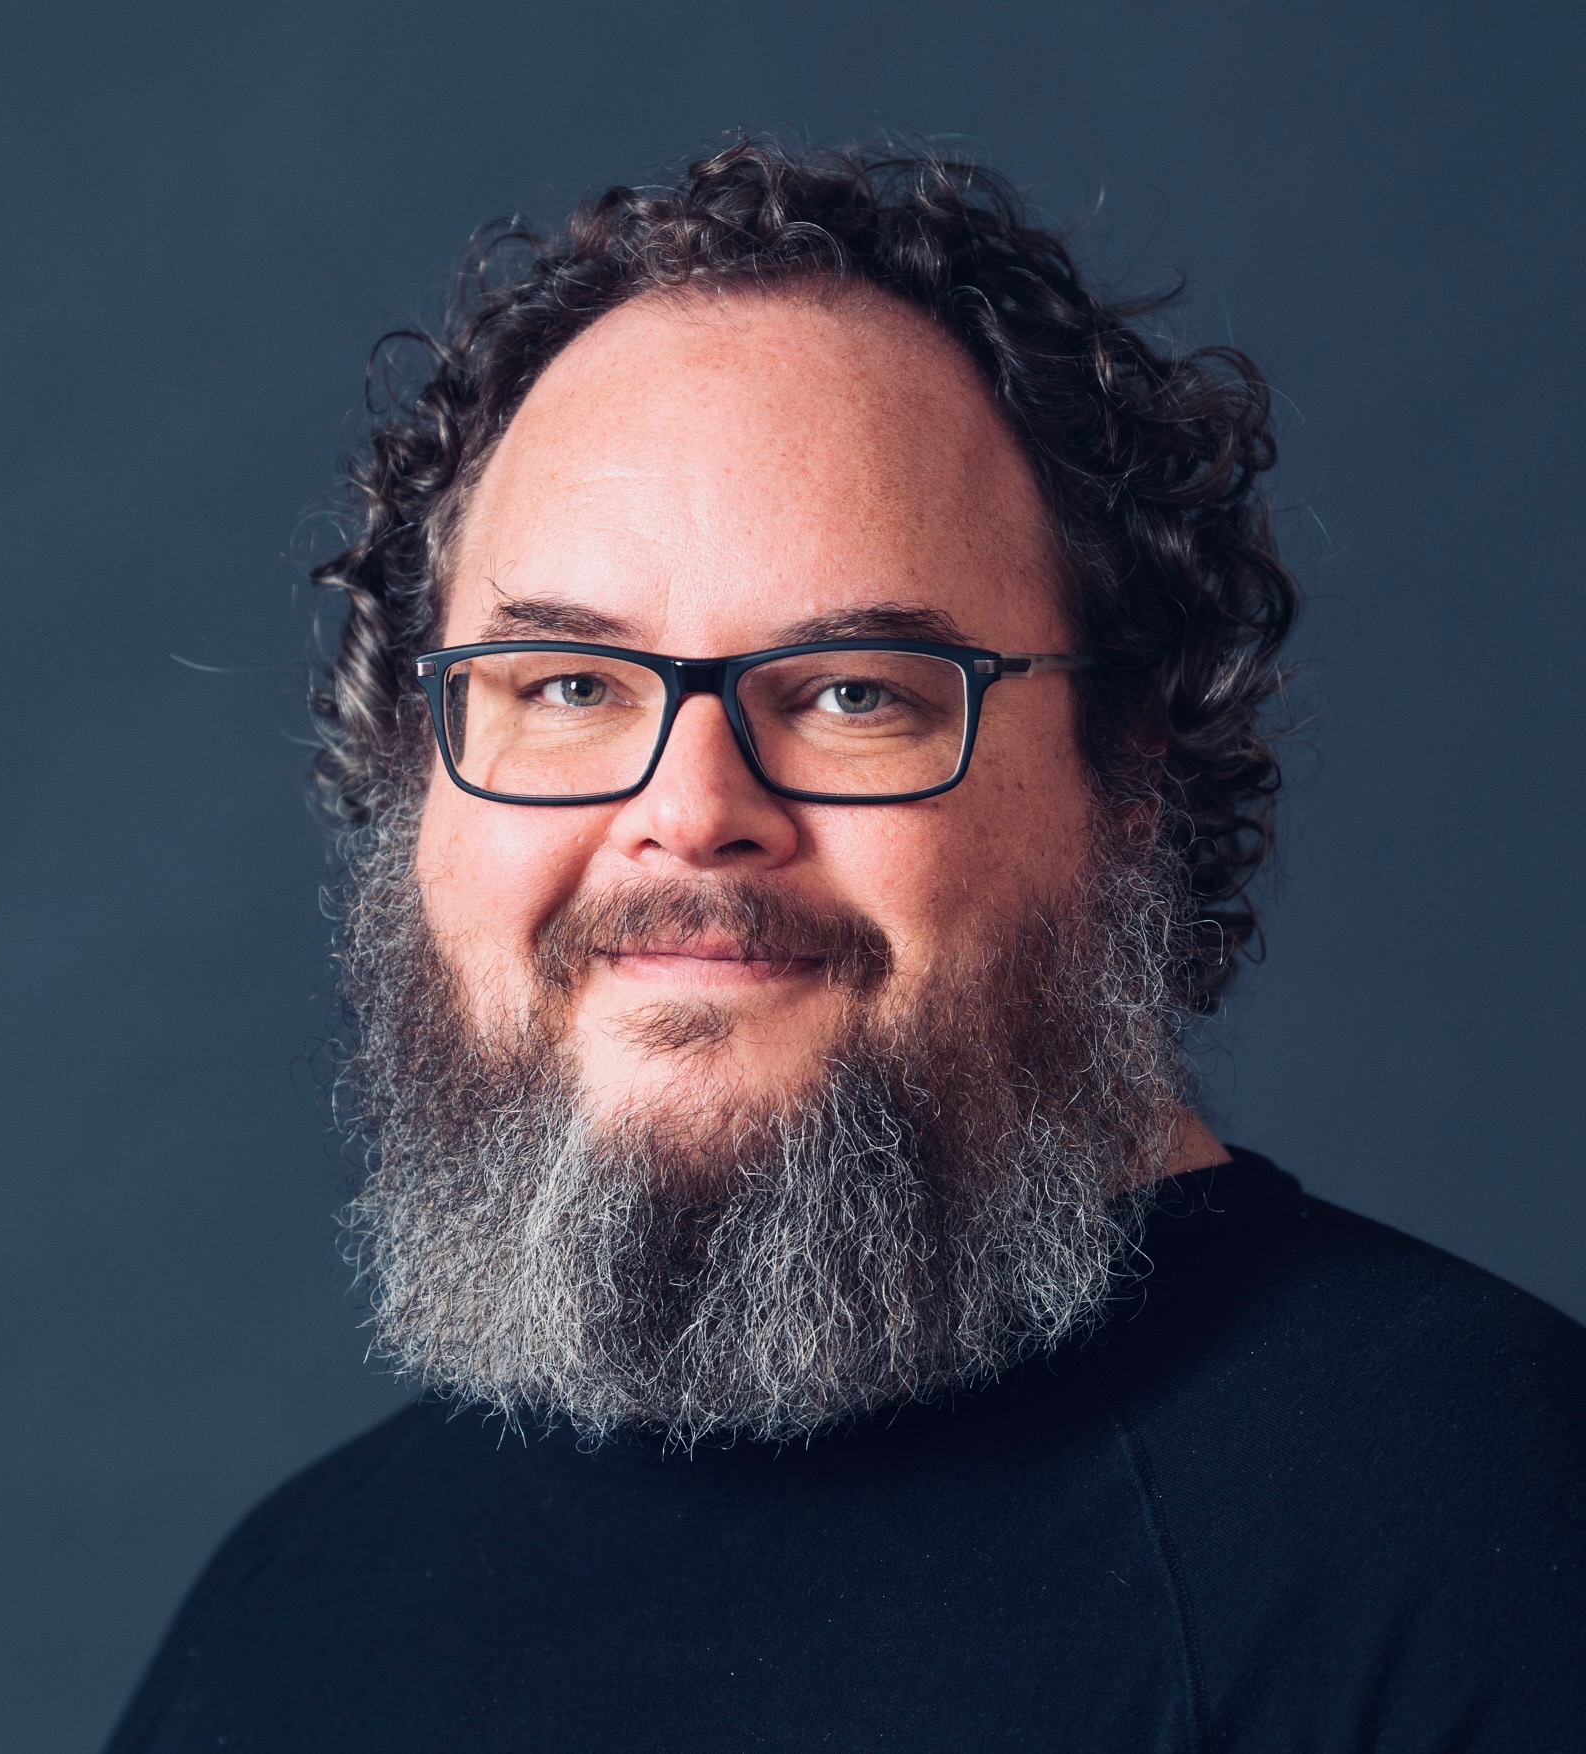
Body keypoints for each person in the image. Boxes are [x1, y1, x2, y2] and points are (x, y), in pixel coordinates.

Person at [104, 140, 1585, 1752]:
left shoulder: (1476, 1529)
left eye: (854, 692)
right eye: (566, 686)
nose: (690, 811)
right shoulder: (290, 1619)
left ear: (1134, 770)